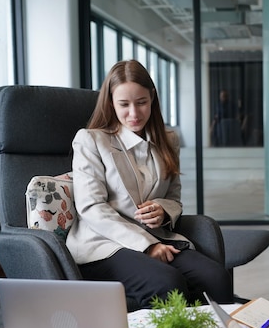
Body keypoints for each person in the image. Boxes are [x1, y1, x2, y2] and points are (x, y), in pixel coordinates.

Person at [65, 59, 233, 308]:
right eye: (124, 104)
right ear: (110, 102)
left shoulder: (168, 140)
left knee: (216, 277)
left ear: (152, 98)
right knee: (167, 283)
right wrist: (146, 246)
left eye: (141, 102)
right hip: (105, 244)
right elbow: (91, 208)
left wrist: (163, 210)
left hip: (156, 236)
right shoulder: (91, 140)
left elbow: (174, 198)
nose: (134, 114)